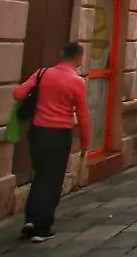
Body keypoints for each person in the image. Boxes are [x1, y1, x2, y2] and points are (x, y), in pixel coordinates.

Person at [12, 42, 90, 243]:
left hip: (38, 133)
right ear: (79, 59)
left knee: (41, 175)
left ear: (62, 54)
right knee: (53, 179)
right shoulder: (76, 82)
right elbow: (82, 115)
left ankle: (30, 220)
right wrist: (85, 142)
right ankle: (42, 227)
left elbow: (18, 93)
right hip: (59, 134)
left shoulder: (42, 73)